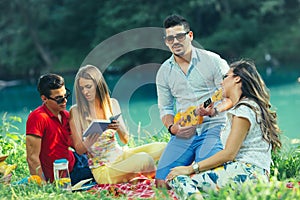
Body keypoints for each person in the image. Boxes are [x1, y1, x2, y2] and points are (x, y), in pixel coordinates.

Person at [166, 60, 282, 199]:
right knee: (199, 183)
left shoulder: (243, 110)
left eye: (225, 77)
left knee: (177, 178)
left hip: (246, 174)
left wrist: (190, 168)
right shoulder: (250, 106)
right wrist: (210, 111)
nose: (221, 82)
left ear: (237, 79)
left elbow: (229, 154)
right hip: (253, 176)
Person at [155, 14, 230, 187]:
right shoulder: (164, 72)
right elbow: (165, 108)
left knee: (209, 178)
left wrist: (215, 110)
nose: (175, 41)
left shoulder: (213, 60)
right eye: (170, 38)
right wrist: (173, 128)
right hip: (184, 133)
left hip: (213, 127)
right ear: (166, 41)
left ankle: (192, 170)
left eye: (179, 36)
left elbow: (232, 92)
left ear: (190, 36)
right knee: (162, 182)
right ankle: (187, 170)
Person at [70, 65, 166, 184]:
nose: (85, 91)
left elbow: (125, 140)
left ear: (98, 84)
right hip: (103, 168)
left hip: (120, 155)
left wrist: (118, 127)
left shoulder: (112, 103)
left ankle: (149, 175)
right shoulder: (75, 111)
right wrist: (89, 141)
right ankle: (158, 182)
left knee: (163, 147)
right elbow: (79, 149)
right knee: (144, 159)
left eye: (88, 87)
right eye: (81, 88)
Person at [26, 73, 93, 185]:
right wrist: (43, 186)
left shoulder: (66, 115)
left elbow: (77, 146)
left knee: (106, 163)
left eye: (65, 96)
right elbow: (32, 158)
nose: (65, 101)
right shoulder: (38, 118)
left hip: (75, 160)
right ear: (44, 98)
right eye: (59, 99)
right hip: (63, 174)